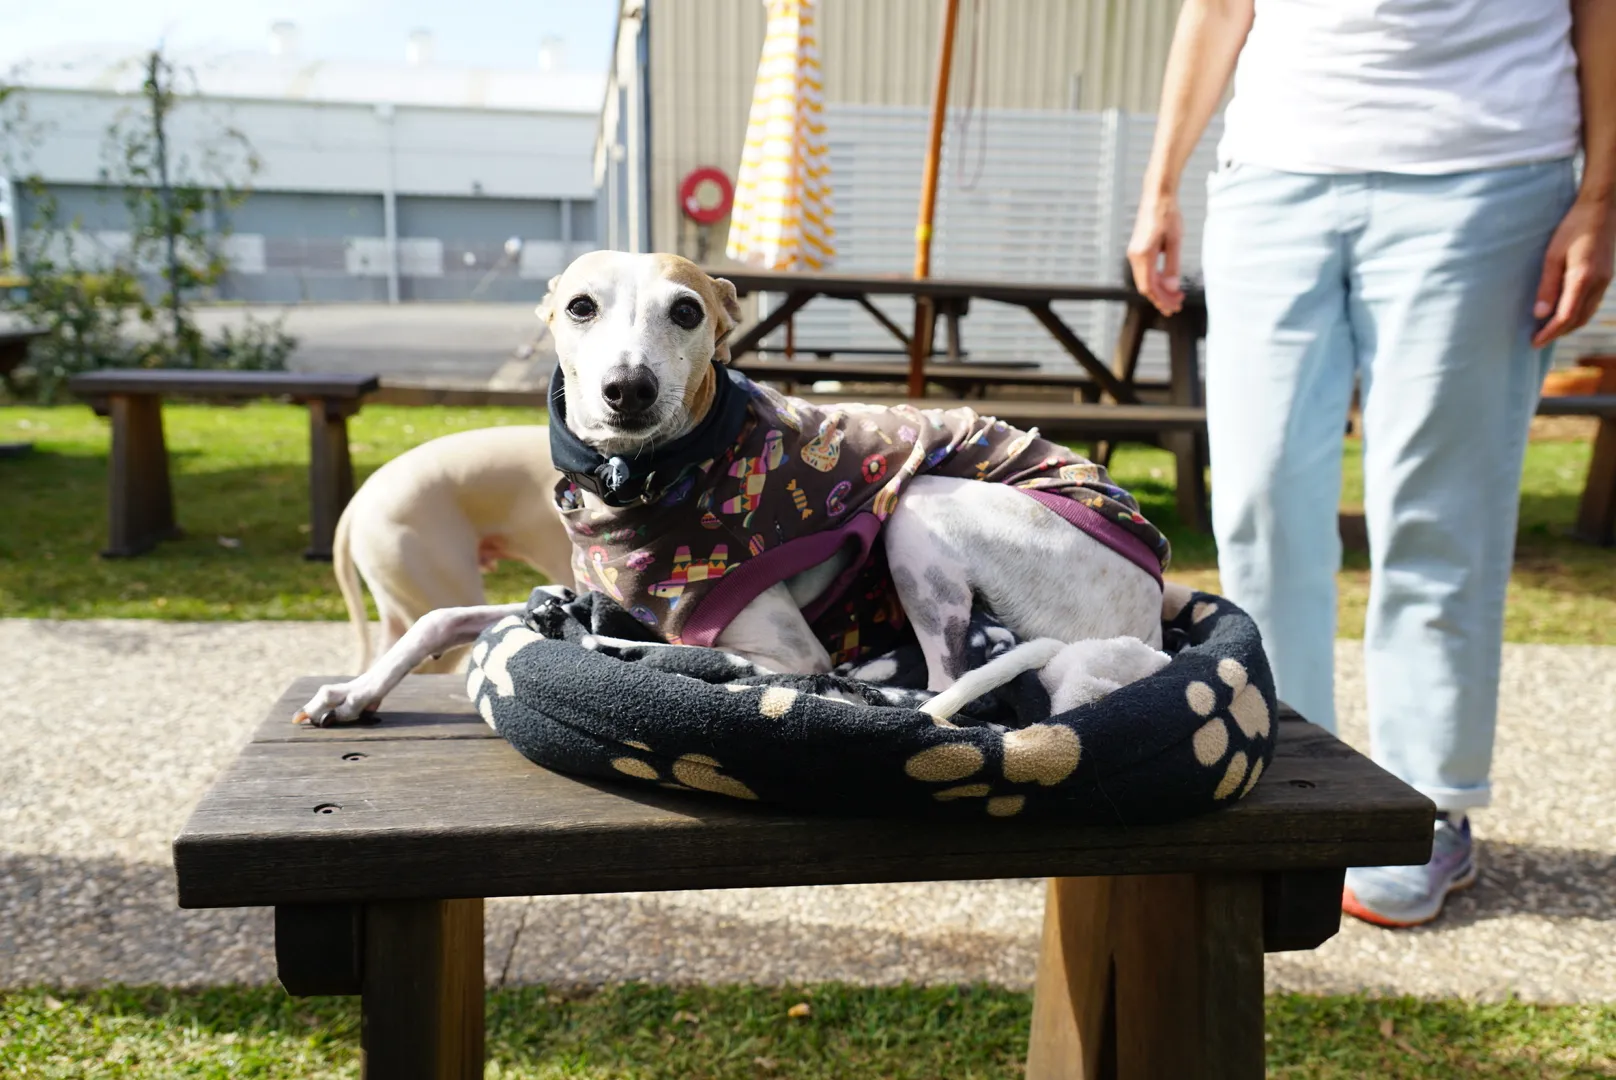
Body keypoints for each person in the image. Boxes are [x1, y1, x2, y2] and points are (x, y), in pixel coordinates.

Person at [1128, 0, 1614, 927]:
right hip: (1275, 168)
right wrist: (1161, 183)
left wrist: (1599, 199)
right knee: (1262, 495)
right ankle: (1286, 771)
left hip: (1490, 171)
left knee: (1440, 507)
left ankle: (1429, 801)